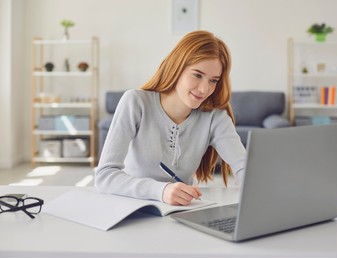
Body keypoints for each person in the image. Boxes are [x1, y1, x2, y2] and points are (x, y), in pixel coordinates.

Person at [95, 30, 246, 206]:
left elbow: (244, 167)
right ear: (177, 67)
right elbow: (105, 176)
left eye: (213, 80)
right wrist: (161, 190)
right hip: (130, 207)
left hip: (180, 211)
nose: (204, 89)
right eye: (197, 75)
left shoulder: (215, 117)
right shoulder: (136, 101)